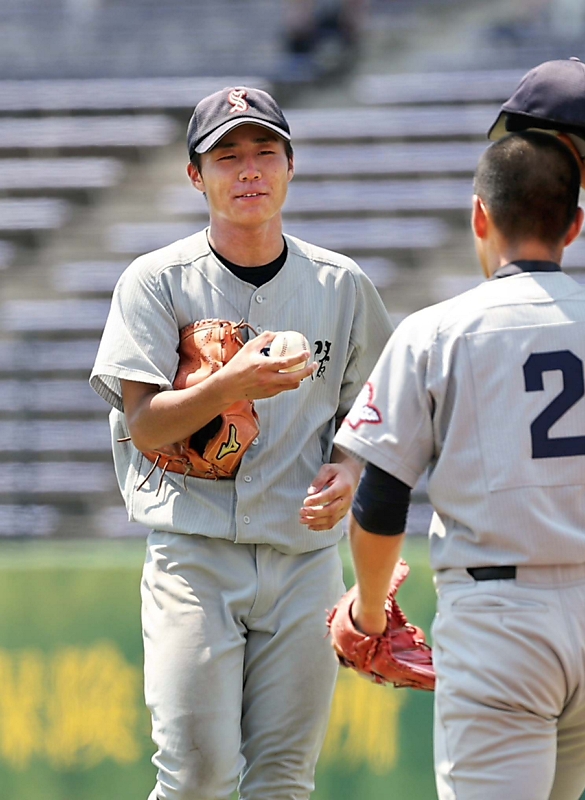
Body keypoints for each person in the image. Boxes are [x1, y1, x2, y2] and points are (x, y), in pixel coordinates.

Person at [89, 85, 392, 800]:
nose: (248, 170)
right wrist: (231, 386)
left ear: (291, 166)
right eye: (227, 157)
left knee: (284, 782)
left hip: (306, 561)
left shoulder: (341, 284)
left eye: (264, 152)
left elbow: (375, 415)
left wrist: (349, 470)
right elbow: (146, 425)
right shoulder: (155, 282)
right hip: (194, 558)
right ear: (196, 176)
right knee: (196, 779)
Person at [333, 130, 585, 800]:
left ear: (480, 216)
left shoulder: (434, 332)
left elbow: (380, 501)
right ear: (574, 225)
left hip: (501, 624)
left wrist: (370, 613)